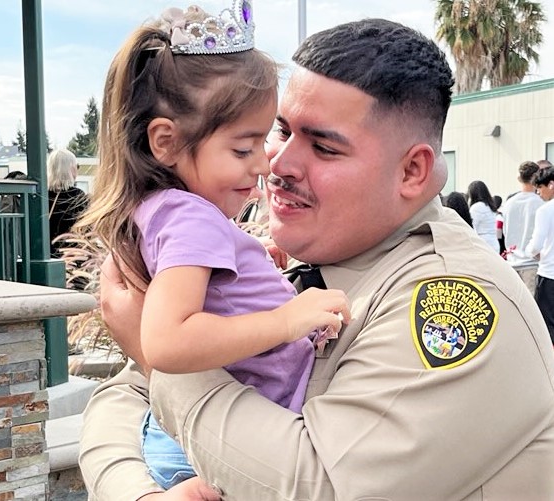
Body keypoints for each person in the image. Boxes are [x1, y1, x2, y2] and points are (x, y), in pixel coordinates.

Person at [80, 18, 554, 500]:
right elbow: (123, 397)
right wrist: (137, 492)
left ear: (412, 171)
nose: (276, 164)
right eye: (278, 131)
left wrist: (163, 360)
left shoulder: (449, 298)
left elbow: (320, 486)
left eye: (323, 147)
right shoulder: (305, 263)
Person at [74, 2, 350, 491]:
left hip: (193, 435)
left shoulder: (169, 210)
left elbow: (203, 296)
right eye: (243, 149)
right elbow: (167, 341)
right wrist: (286, 319)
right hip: (200, 457)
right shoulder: (192, 218)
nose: (263, 165)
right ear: (166, 142)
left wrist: (247, 257)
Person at [526, 166, 554, 343]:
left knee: (547, 325)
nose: (538, 192)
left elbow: (536, 245)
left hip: (549, 274)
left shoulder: (545, 210)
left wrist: (532, 252)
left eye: (540, 188)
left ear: (551, 185)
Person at [47, 149, 89, 258]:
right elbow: (86, 230)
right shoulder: (77, 196)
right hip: (71, 256)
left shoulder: (39, 196)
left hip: (45, 255)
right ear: (70, 168)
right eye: (77, 166)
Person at [501, 160, 543, 264]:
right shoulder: (541, 203)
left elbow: (505, 232)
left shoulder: (509, 203)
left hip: (512, 261)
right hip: (533, 261)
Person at [467, 180, 500, 252]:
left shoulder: (476, 207)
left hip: (483, 243)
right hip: (494, 242)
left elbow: (472, 228)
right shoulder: (491, 206)